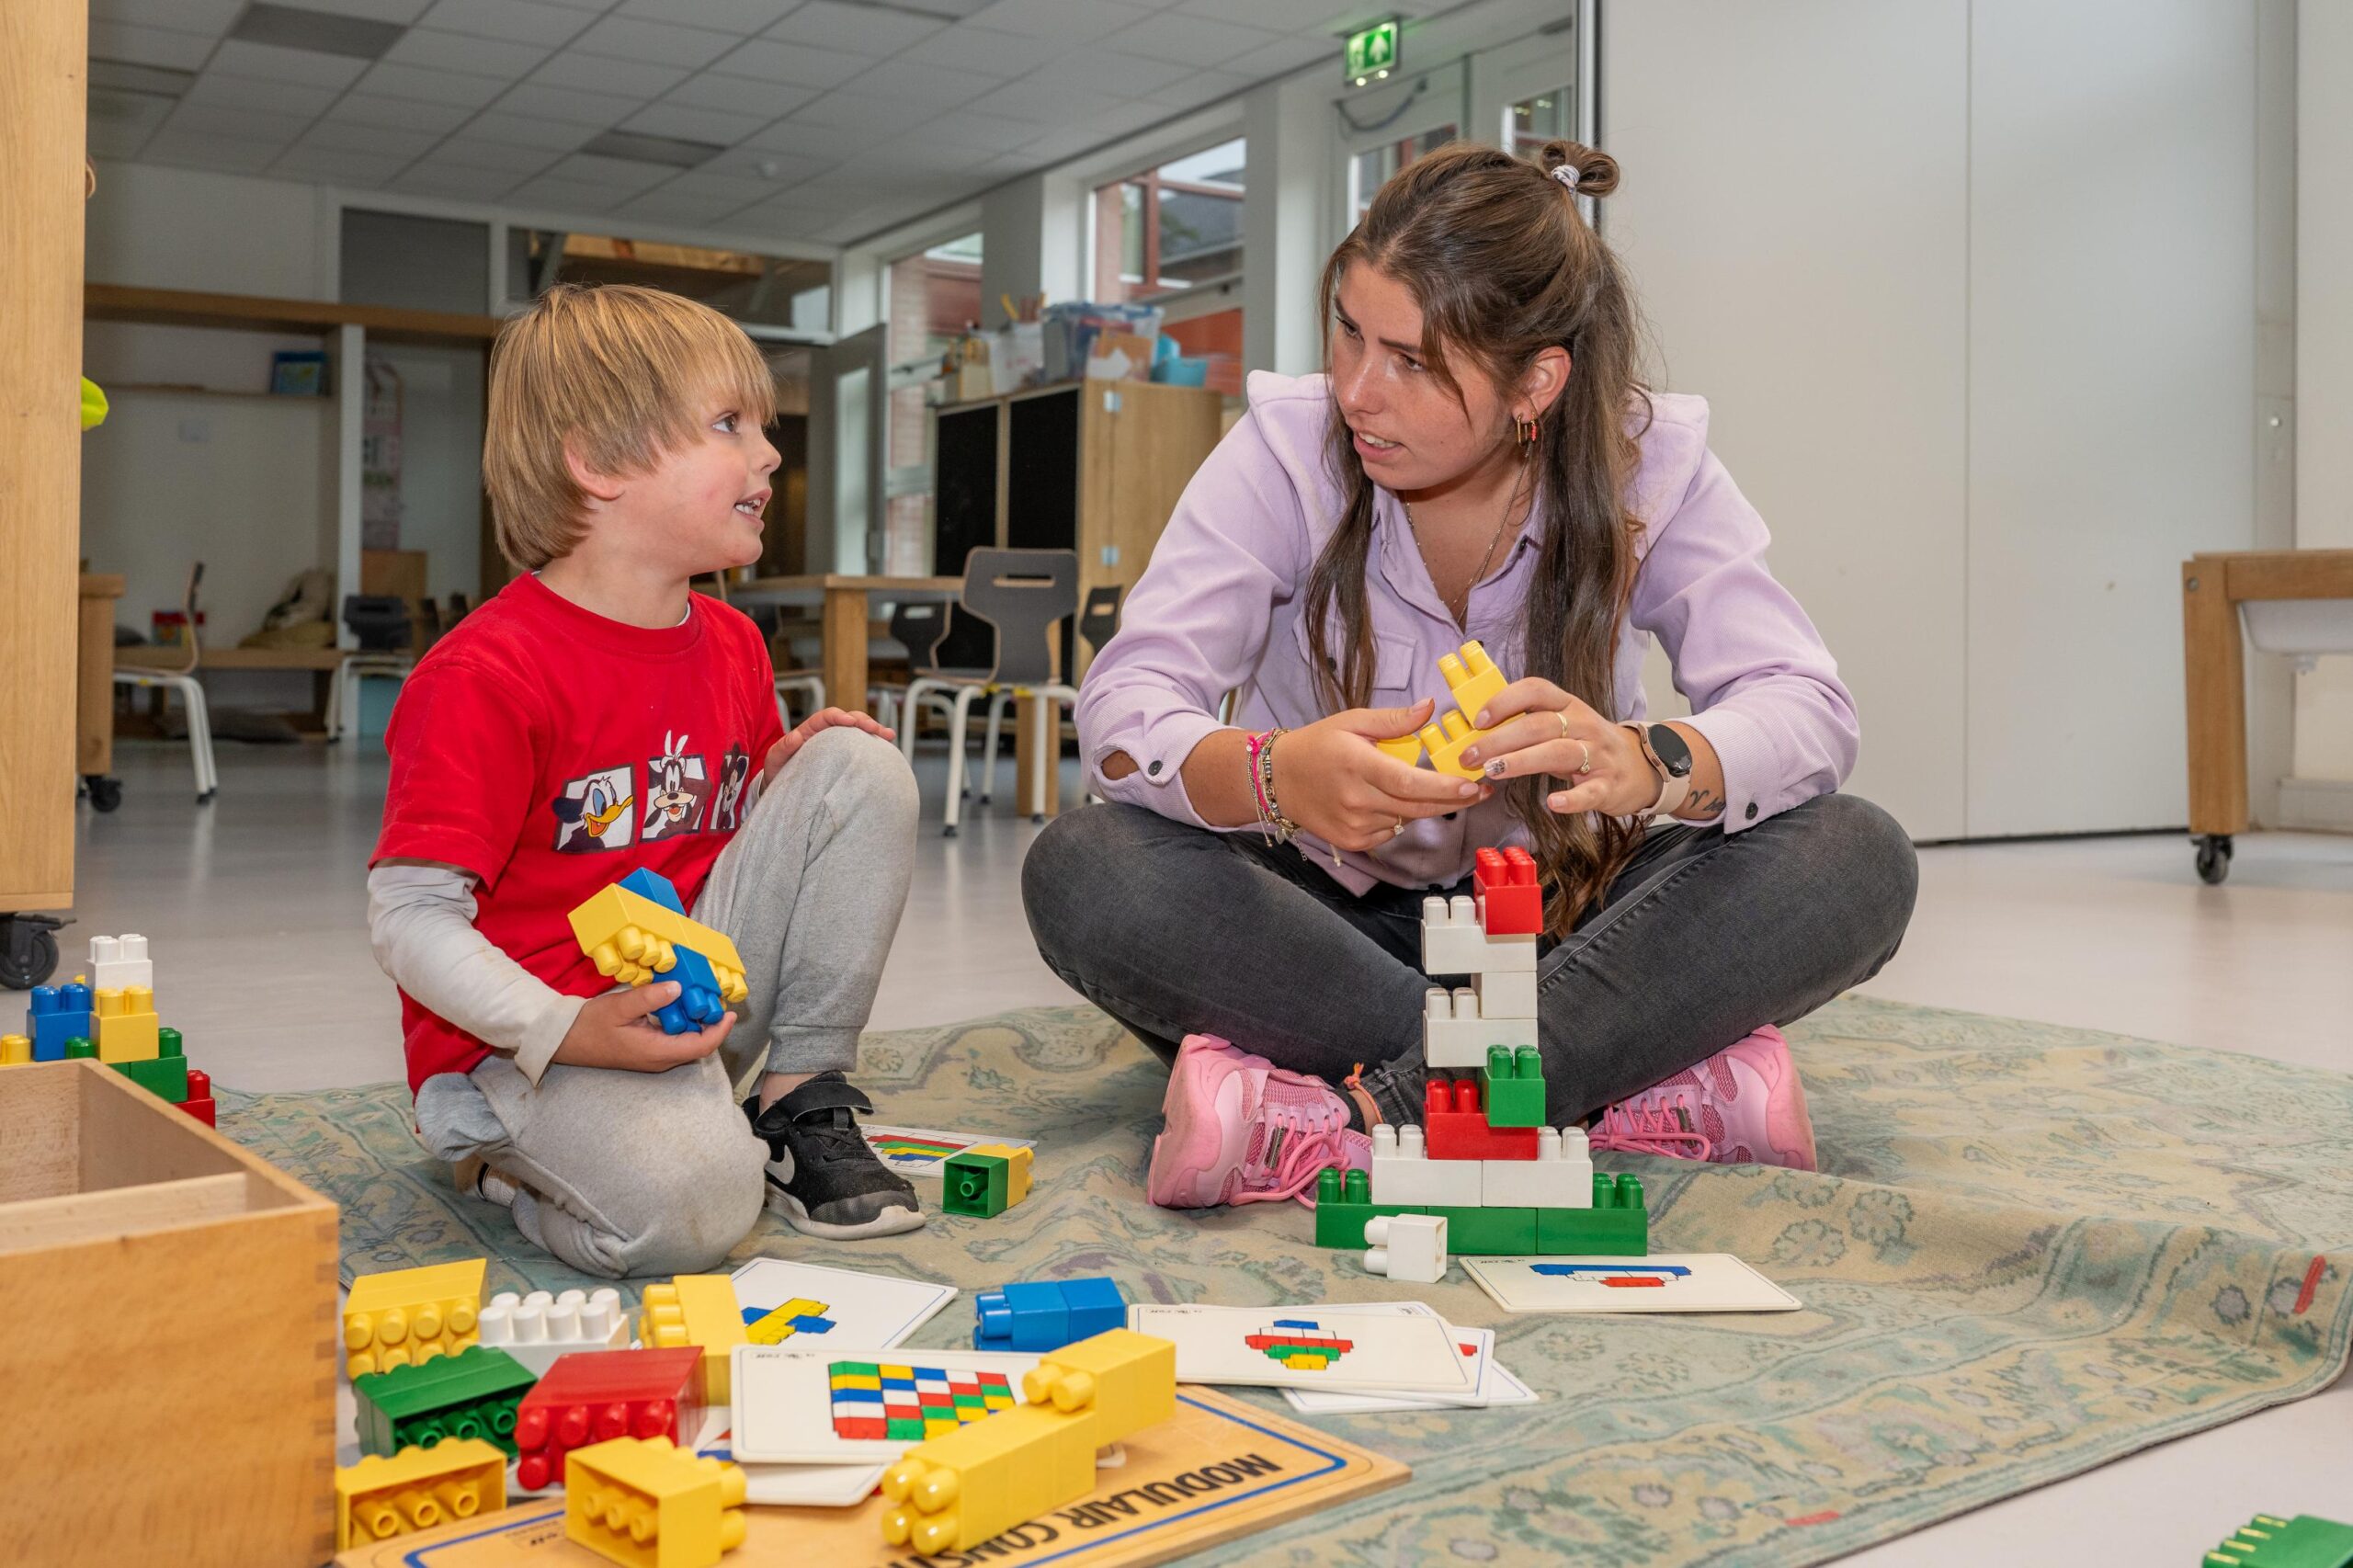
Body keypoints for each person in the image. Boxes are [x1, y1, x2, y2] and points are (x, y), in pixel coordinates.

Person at [1023, 141, 1919, 1209]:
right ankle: (1607, 1079)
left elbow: (1807, 707)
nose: (1358, 391)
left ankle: (1366, 1112)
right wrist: (1274, 775)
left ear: (1536, 379)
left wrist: (1648, 760)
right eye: (1350, 332)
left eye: (1412, 361)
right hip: (1322, 926)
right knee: (1083, 868)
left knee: (1856, 855)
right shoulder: (1282, 449)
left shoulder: (1654, 462)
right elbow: (1126, 714)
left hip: (1574, 926)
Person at [369, 283, 924, 1278]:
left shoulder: (733, 641)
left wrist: (791, 785)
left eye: (761, 425)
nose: (769, 453)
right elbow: (410, 917)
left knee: (859, 763)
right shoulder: (484, 673)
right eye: (728, 424)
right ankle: (499, 1161)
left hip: (689, 993)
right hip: (540, 1034)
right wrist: (568, 1026)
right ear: (597, 462)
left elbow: (710, 829)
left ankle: (795, 1095)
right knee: (694, 1212)